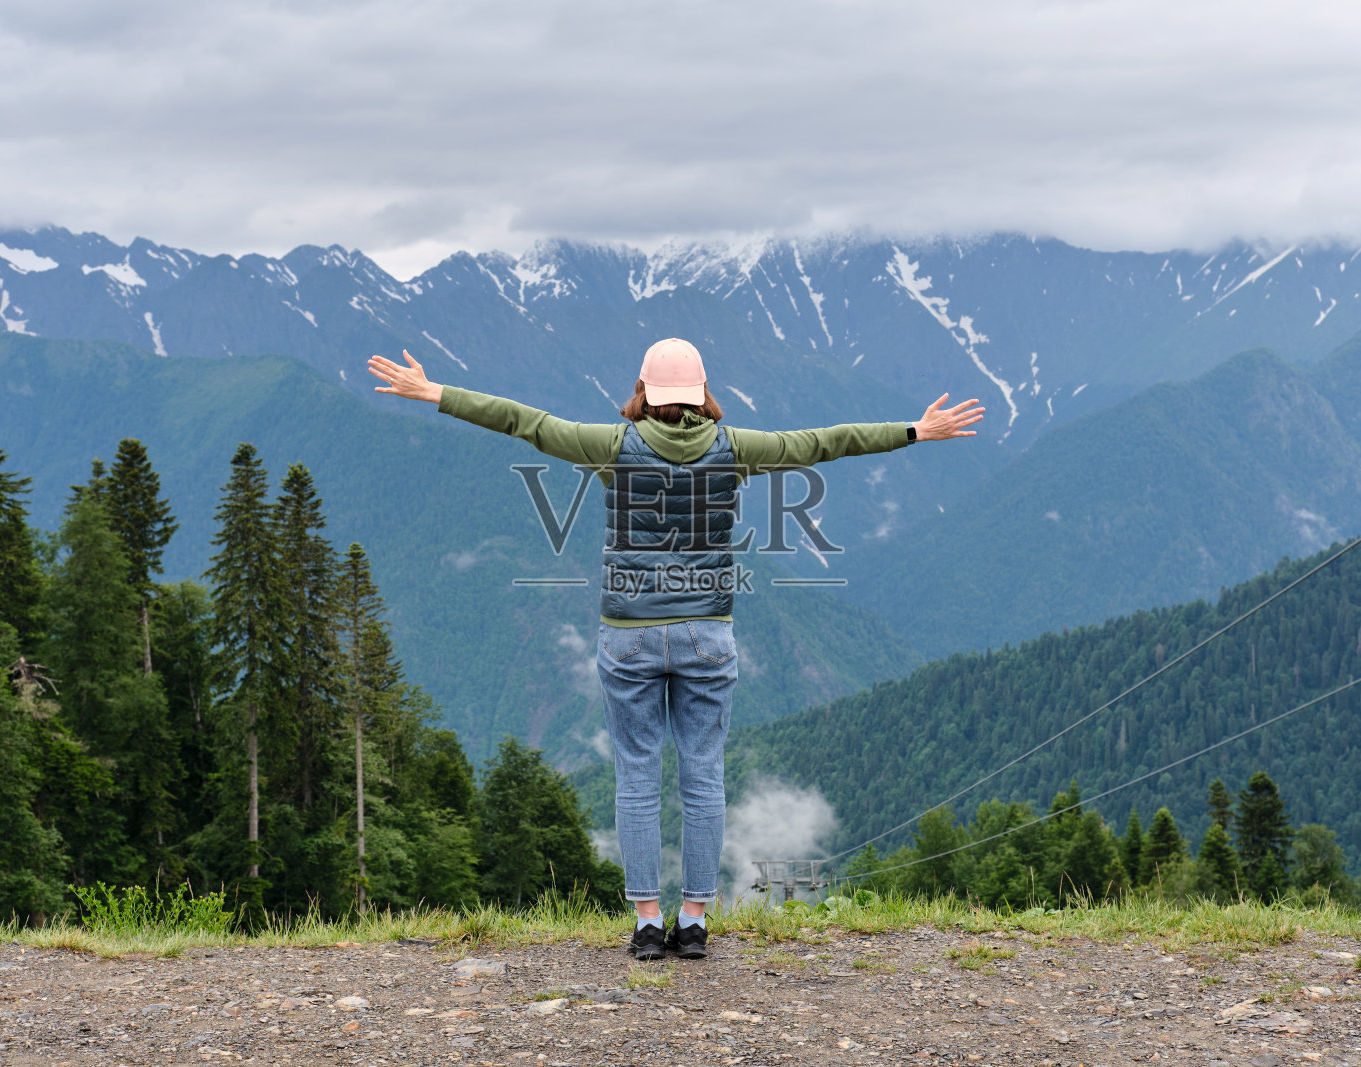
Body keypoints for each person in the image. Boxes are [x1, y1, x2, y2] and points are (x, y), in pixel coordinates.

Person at [367, 338, 983, 960]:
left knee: (636, 779)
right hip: (707, 635)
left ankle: (645, 923)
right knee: (703, 776)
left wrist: (433, 393)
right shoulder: (735, 448)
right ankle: (693, 921)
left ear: (644, 392)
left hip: (627, 634)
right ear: (702, 393)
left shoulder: (612, 446)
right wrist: (914, 430)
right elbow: (826, 441)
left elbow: (524, 422)